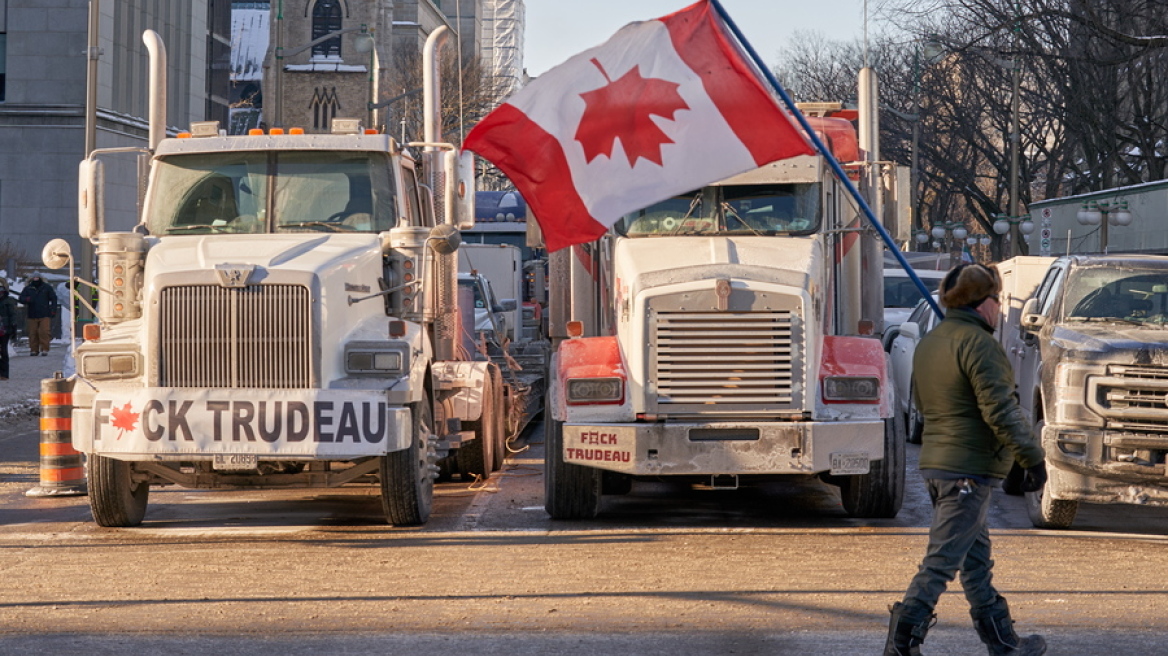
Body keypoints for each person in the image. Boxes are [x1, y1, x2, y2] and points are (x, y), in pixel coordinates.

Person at [884, 262, 1048, 656]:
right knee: (941, 563)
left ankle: (1004, 643)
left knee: (975, 564)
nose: (999, 308)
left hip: (939, 464)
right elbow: (1001, 411)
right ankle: (902, 642)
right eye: (997, 299)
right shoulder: (979, 345)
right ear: (981, 302)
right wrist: (1031, 458)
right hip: (967, 471)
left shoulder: (932, 342)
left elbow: (922, 405)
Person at [18, 274, 58, 356]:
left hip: (45, 314)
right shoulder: (28, 288)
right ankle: (34, 350)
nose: (36, 279)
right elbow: (21, 298)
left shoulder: (47, 288)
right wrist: (26, 299)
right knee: (32, 333)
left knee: (44, 332)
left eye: (37, 278)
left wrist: (53, 310)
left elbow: (54, 298)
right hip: (32, 314)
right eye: (34, 278)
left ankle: (44, 349)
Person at [0, 280, 17, 379]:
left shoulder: (8, 301)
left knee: (3, 352)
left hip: (4, 329)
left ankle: (4, 374)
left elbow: (12, 315)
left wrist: (13, 327)